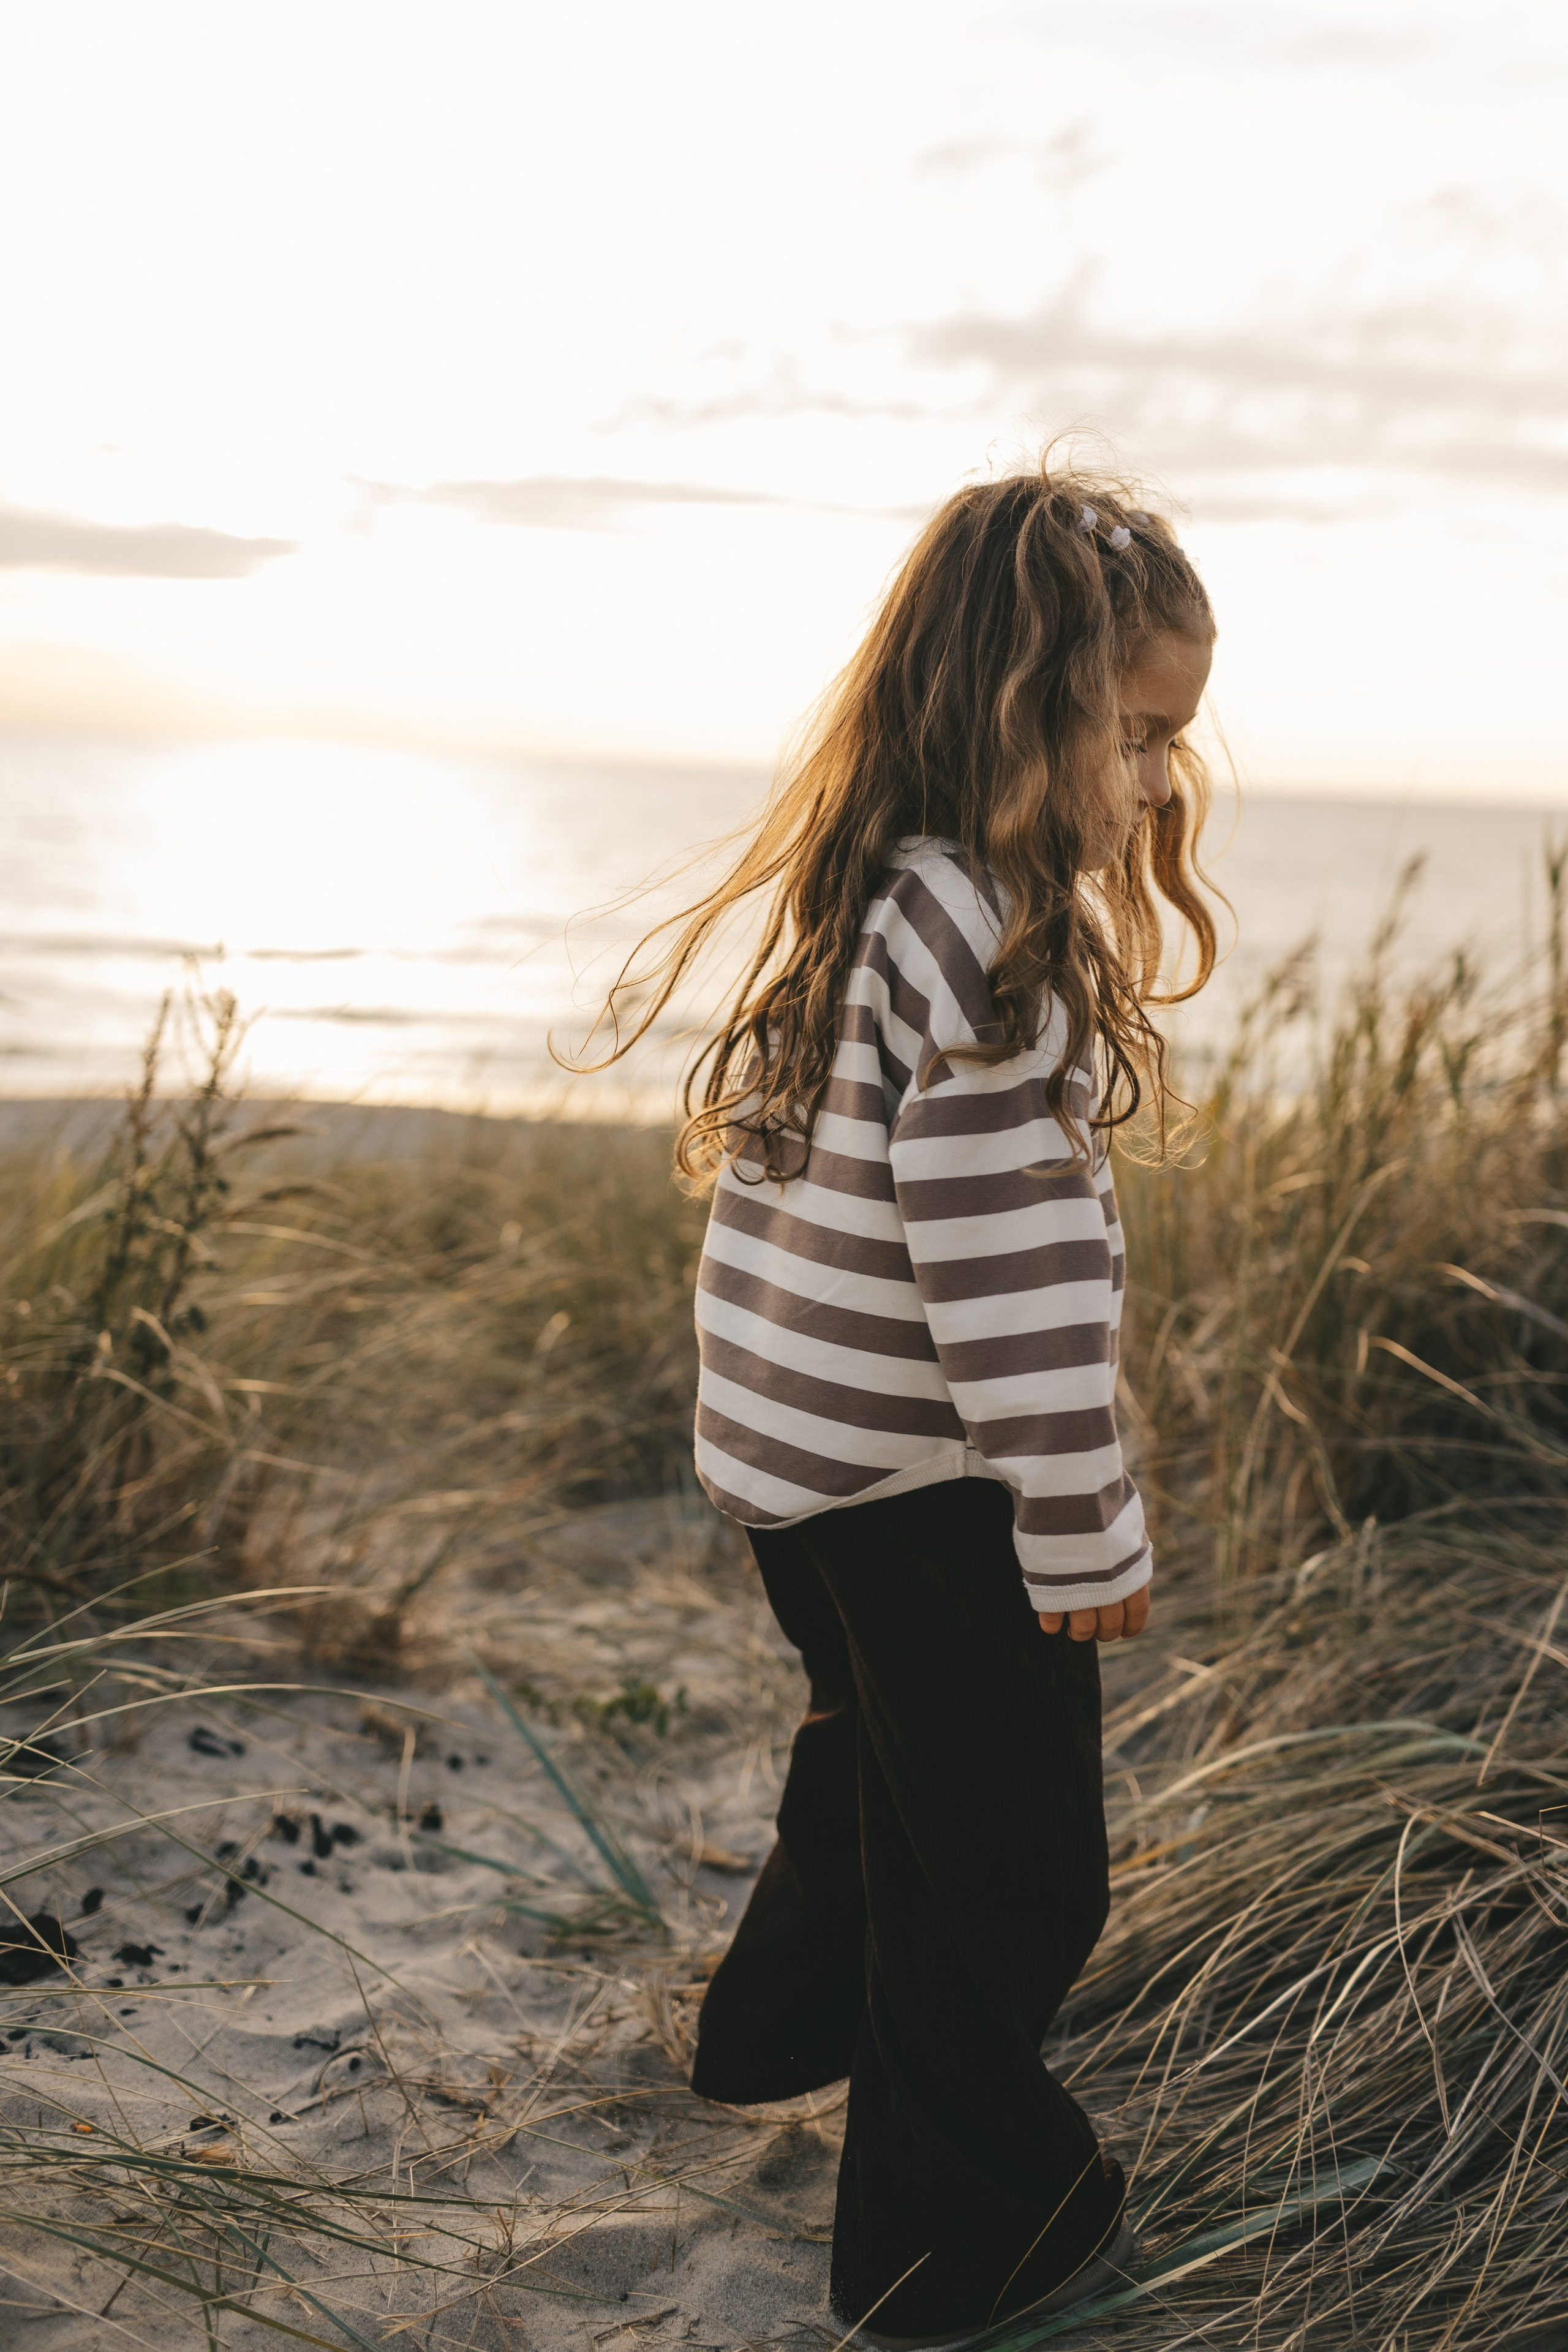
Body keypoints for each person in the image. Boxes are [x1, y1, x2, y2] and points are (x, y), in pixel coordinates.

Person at [578, 458, 1217, 2346]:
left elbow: (798, 1220)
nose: (1164, 784)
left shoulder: (872, 901)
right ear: (1033, 716)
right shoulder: (998, 947)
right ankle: (963, 2245)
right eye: (1143, 734)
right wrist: (1086, 1530)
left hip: (806, 1478)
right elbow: (1008, 1289)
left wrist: (769, 1447)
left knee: (885, 1765)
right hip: (935, 1496)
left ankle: (774, 2023)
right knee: (1014, 1873)